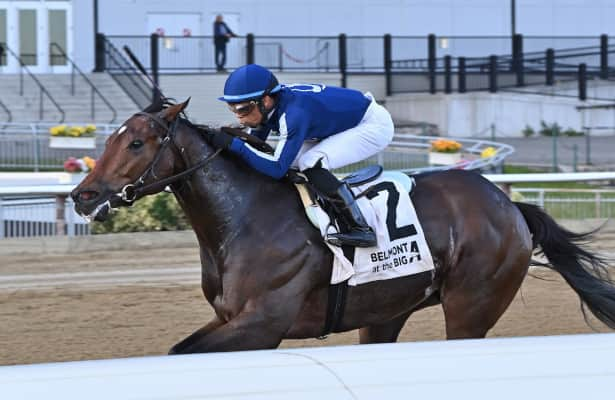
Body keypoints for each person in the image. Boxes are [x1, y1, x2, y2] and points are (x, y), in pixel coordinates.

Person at [210, 64, 395, 248]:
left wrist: (235, 145)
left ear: (265, 101)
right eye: (233, 109)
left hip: (372, 126)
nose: (239, 118)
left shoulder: (293, 114)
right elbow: (254, 144)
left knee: (310, 162)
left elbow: (275, 168)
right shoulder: (271, 105)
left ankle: (360, 228)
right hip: (338, 124)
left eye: (243, 109)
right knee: (293, 163)